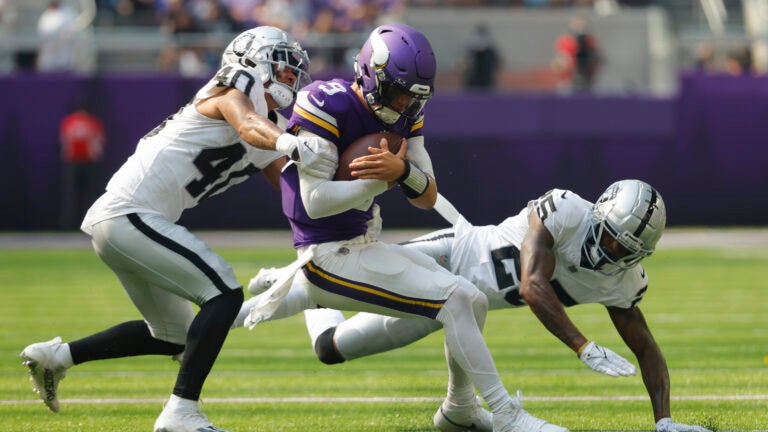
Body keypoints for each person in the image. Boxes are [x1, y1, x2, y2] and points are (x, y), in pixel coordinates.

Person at [241, 23, 567, 432]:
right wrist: (381, 181)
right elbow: (316, 202)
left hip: (361, 243)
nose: (402, 103)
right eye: (396, 91)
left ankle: (461, 410)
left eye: (413, 95)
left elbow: (426, 195)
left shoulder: (407, 112)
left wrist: (403, 172)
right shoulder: (327, 102)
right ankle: (504, 414)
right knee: (457, 300)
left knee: (473, 297)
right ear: (369, 72)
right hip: (328, 252)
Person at [20, 26, 334, 432]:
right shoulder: (237, 84)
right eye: (284, 67)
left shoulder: (267, 125)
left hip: (129, 223)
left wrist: (346, 188)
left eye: (295, 73)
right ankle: (181, 413)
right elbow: (246, 122)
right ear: (253, 58)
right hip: (128, 213)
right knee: (222, 294)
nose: (291, 78)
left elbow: (293, 188)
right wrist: (292, 143)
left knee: (174, 335)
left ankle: (56, 357)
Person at [243, 180, 712, 432]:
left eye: (623, 248)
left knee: (330, 348)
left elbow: (646, 347)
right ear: (598, 214)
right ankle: (232, 310)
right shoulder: (566, 209)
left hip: (457, 307)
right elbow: (532, 285)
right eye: (609, 236)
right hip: (449, 256)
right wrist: (582, 345)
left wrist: (664, 420)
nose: (610, 251)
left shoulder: (623, 280)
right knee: (326, 286)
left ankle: (457, 412)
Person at [58, 101, 106, 229]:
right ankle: (91, 223)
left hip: (72, 163)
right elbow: (98, 144)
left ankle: (68, 225)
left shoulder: (69, 121)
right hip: (89, 163)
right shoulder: (92, 122)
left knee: (71, 196)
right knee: (91, 195)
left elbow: (64, 143)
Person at [462, 23, 501, 89]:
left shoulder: (489, 49)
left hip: (486, 78)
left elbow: (496, 63)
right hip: (475, 78)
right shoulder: (472, 49)